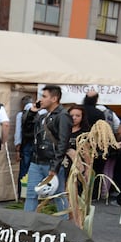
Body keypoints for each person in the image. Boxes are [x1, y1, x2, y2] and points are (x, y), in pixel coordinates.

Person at [22, 84, 71, 213]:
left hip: (51, 162)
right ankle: (27, 224)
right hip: (36, 161)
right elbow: (27, 129)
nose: (40, 100)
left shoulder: (63, 116)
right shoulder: (43, 116)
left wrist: (55, 166)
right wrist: (32, 111)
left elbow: (63, 142)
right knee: (31, 194)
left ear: (54, 99)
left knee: (58, 195)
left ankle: (64, 225)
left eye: (44, 96)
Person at [14, 95, 35, 199]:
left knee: (24, 170)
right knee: (36, 170)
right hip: (37, 145)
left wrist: (17, 149)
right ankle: (35, 195)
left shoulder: (20, 114)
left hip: (25, 144)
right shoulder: (41, 113)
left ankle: (22, 195)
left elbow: (18, 133)